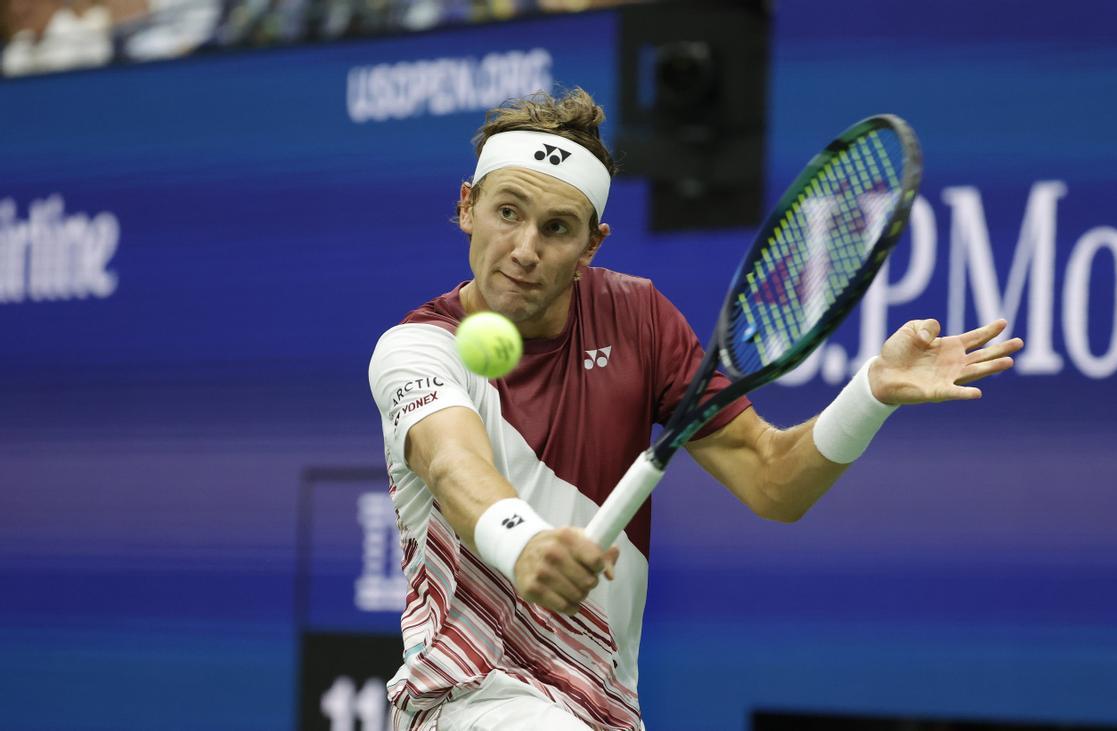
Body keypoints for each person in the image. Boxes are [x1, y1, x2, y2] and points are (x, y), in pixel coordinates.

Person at [368, 87, 1023, 731]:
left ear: (591, 245)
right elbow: (455, 464)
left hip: (603, 707)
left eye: (557, 227)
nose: (525, 248)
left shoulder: (637, 318)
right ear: (467, 206)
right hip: (465, 698)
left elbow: (774, 482)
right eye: (507, 212)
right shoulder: (417, 348)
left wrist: (871, 392)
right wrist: (525, 542)